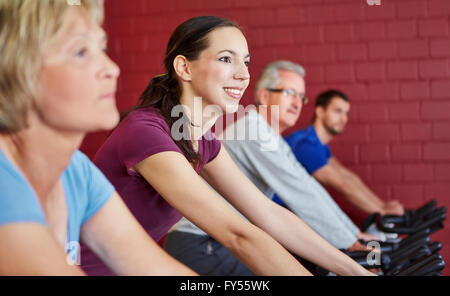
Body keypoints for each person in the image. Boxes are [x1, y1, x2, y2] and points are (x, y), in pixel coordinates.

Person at [81, 16, 375, 276]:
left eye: (245, 61)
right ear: (184, 67)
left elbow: (268, 214)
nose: (243, 74)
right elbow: (237, 235)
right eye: (226, 59)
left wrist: (355, 270)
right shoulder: (146, 132)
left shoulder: (204, 140)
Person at [0, 0, 197, 276]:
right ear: (18, 72)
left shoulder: (76, 171)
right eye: (81, 52)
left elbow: (153, 268)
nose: (111, 68)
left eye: (102, 48)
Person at [163, 60, 379, 275]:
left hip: (221, 240)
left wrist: (353, 236)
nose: (297, 103)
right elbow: (301, 194)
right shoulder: (253, 132)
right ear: (264, 97)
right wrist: (349, 241)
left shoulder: (271, 138)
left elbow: (308, 185)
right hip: (200, 244)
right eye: (289, 93)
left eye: (300, 96)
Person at [284, 89, 404, 216]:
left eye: (346, 113)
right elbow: (342, 184)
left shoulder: (319, 144)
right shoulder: (305, 144)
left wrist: (381, 204)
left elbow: (347, 177)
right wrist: (382, 212)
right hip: (277, 214)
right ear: (320, 112)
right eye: (337, 111)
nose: (343, 119)